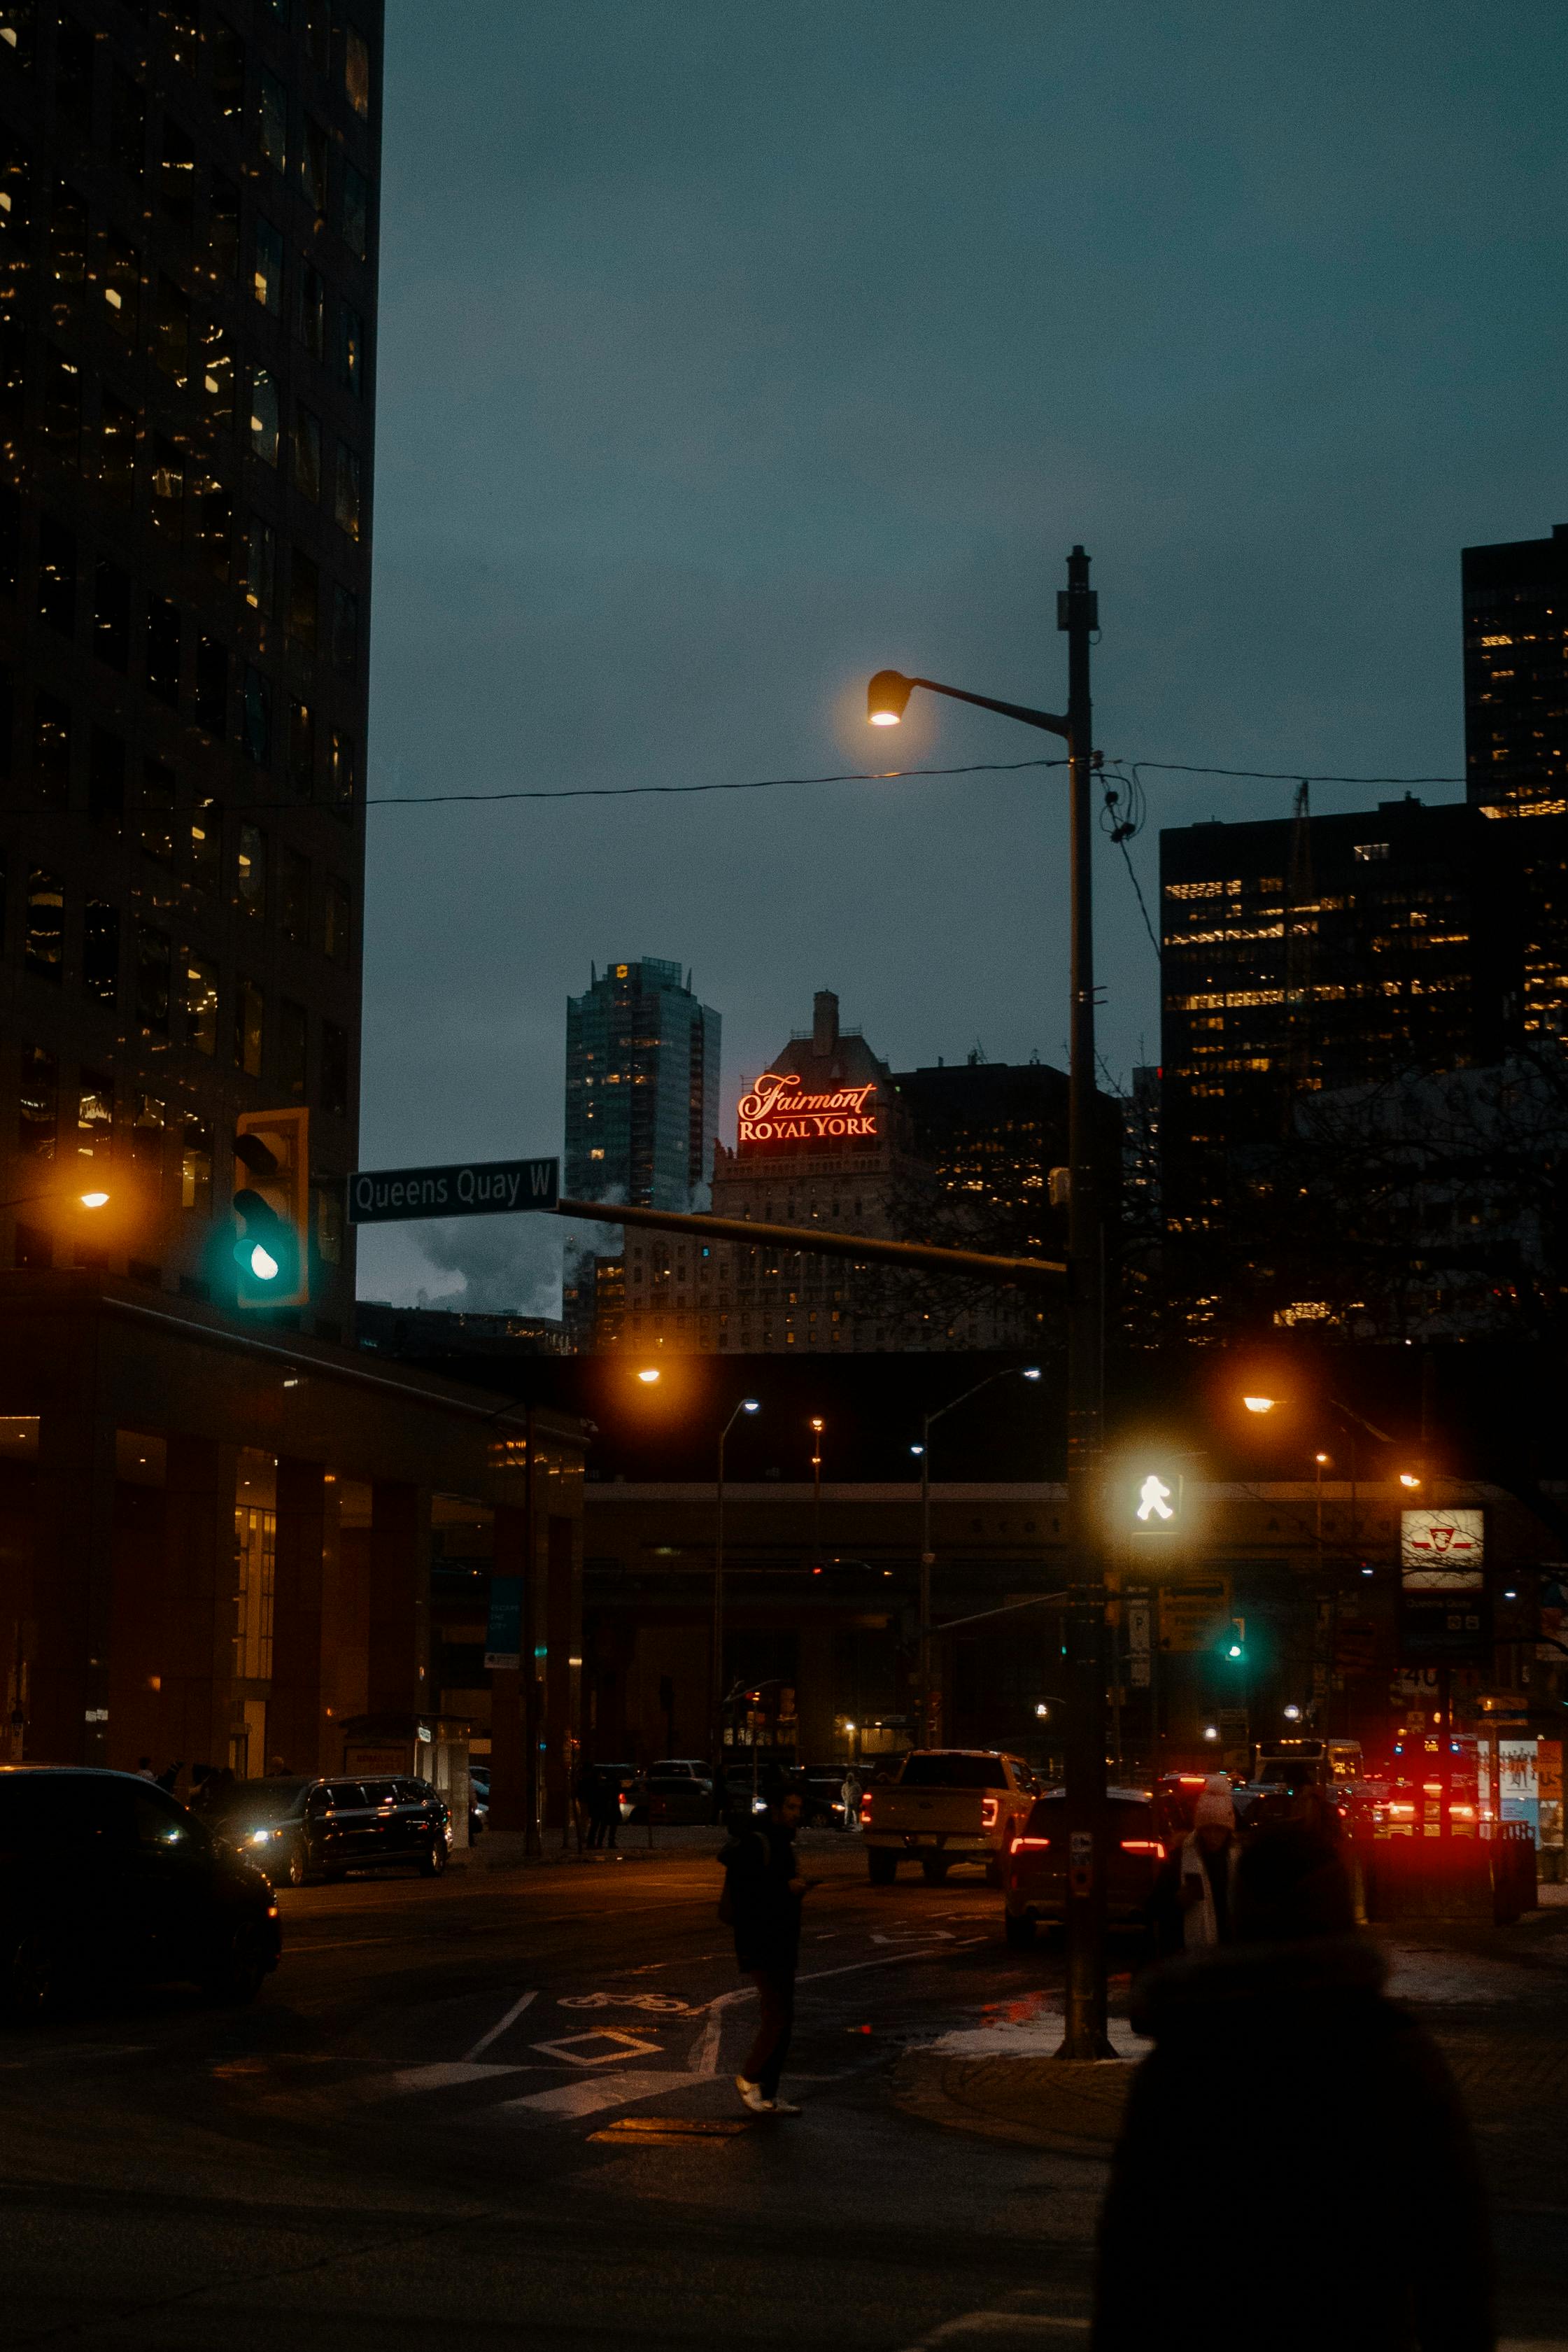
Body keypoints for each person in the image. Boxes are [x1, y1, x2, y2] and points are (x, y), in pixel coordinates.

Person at [1093, 1822, 1494, 2351]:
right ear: (1336, 1910)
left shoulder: (1187, 2059)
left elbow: (1131, 2253)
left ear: (1243, 1908)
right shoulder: (1389, 2054)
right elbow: (1452, 2247)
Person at [721, 1785, 807, 2116]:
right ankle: (750, 2078)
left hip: (781, 1940)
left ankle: (769, 2094)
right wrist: (786, 1888)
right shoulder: (760, 1842)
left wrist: (794, 1889)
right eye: (790, 1806)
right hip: (762, 1941)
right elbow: (749, 1892)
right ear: (774, 1808)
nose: (795, 1813)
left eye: (799, 1807)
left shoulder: (782, 1842)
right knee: (777, 2015)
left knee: (784, 2017)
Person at [1178, 1775, 1238, 1947]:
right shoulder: (1181, 1858)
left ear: (1228, 1832)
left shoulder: (1238, 1860)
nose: (1213, 1837)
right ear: (1199, 1831)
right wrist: (1178, 1901)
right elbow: (1155, 1907)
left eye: (1219, 1830)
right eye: (1207, 1830)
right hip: (1192, 1955)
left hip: (1229, 1947)